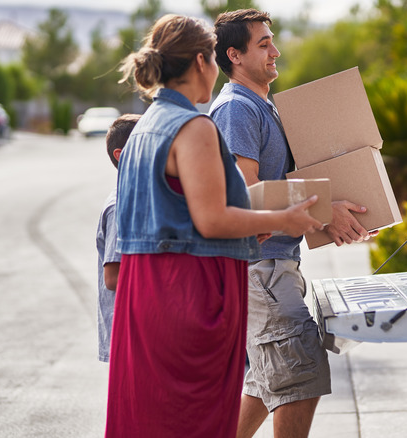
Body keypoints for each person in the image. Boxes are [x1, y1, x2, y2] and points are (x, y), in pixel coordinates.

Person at [105, 14, 323, 438]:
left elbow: (178, 218)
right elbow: (212, 218)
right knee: (194, 421)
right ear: (204, 62)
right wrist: (284, 219)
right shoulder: (194, 127)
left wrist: (251, 227)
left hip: (146, 295)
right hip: (189, 297)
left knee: (152, 419)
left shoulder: (144, 126)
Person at [211, 9, 375, 438]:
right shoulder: (235, 110)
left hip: (274, 266)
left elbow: (281, 183)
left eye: (272, 41)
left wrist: (346, 218)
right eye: (263, 43)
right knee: (300, 380)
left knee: (268, 384)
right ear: (235, 55)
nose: (275, 51)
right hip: (259, 269)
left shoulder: (264, 107)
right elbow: (247, 196)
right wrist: (325, 211)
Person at [95, 113, 140, 364]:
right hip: (128, 330)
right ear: (122, 156)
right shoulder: (121, 204)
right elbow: (113, 277)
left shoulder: (139, 197)